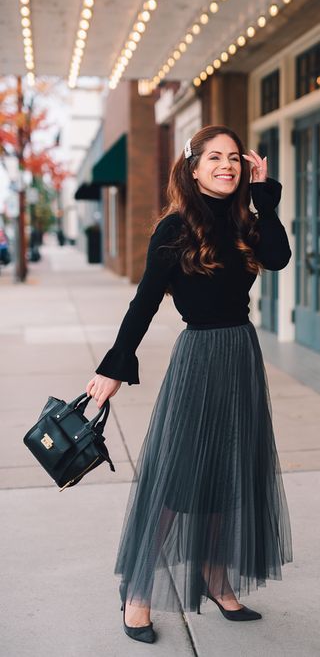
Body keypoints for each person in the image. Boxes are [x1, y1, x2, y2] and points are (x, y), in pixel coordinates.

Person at [86, 125, 293, 644]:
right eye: (215, 158)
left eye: (234, 158)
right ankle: (137, 592)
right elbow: (145, 302)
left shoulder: (248, 219)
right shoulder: (175, 227)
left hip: (241, 353)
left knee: (230, 470)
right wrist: (114, 366)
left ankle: (215, 576)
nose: (227, 165)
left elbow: (279, 257)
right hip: (200, 356)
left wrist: (265, 197)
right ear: (194, 167)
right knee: (176, 478)